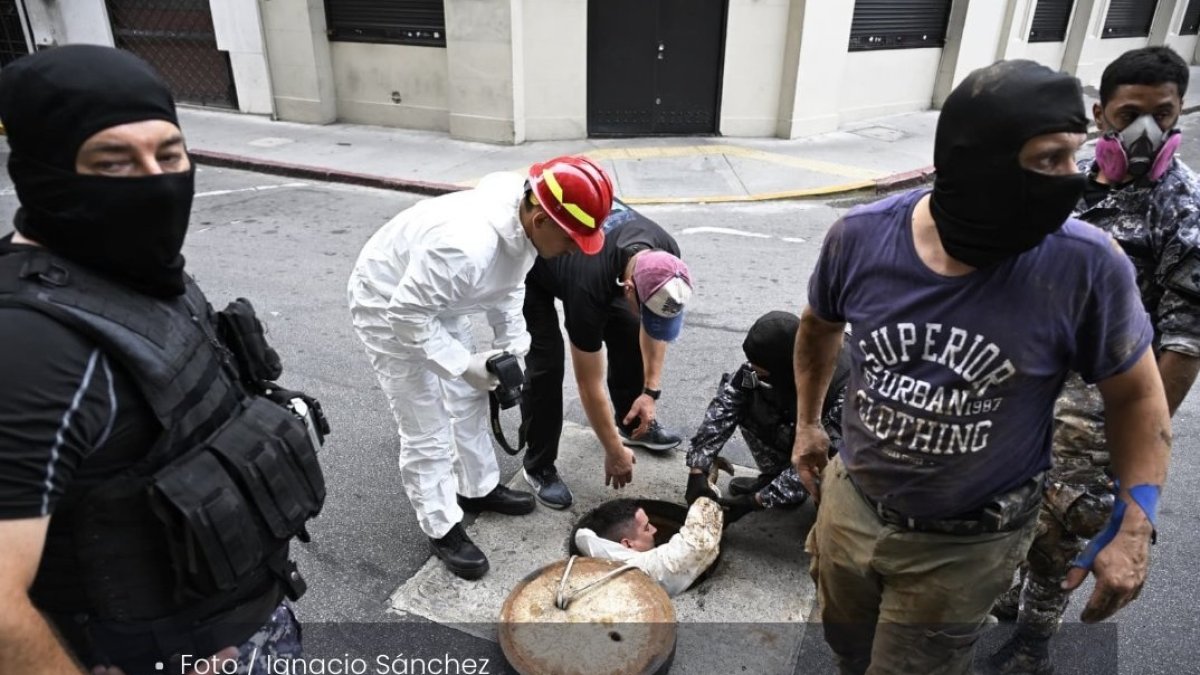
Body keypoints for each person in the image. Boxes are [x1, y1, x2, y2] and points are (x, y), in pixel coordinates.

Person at [792, 59, 1171, 675]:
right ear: (978, 161)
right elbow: (818, 326)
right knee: (845, 648)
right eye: (1048, 159)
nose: (1069, 180)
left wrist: (1136, 518)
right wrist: (808, 423)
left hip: (965, 544)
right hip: (851, 509)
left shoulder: (1087, 266)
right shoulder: (860, 238)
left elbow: (1135, 397)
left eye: (1075, 156)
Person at [0, 46, 326, 675]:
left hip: (242, 622)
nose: (154, 181)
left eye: (168, 154)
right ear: (42, 173)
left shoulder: (130, 270)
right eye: (113, 162)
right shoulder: (30, 348)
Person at [986, 46, 1200, 675]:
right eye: (1131, 112)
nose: (1146, 130)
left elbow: (1184, 348)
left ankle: (1032, 643)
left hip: (1100, 395)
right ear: (1101, 113)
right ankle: (1003, 593)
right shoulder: (1066, 178)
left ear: (1180, 109)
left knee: (1059, 524)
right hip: (1027, 375)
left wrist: (1128, 441)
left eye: (1164, 113)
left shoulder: (1183, 210)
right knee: (1005, 495)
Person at [347, 155, 610, 580]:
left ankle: (477, 488)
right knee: (426, 425)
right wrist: (462, 363)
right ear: (541, 219)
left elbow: (508, 286)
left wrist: (512, 347)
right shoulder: (465, 246)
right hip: (389, 303)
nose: (573, 252)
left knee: (469, 399)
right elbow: (407, 317)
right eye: (571, 240)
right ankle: (441, 525)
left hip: (442, 299)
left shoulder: (524, 217)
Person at [521, 199, 694, 509]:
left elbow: (654, 328)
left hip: (602, 268)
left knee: (629, 327)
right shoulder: (589, 285)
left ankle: (631, 424)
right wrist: (612, 451)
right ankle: (539, 465)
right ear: (629, 287)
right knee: (547, 365)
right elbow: (589, 384)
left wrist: (650, 392)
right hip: (535, 268)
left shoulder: (665, 253)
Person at [684, 310, 850, 523]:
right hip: (796, 421)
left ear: (786, 366)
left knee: (833, 515)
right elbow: (726, 406)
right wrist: (698, 468)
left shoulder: (845, 387)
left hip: (847, 455)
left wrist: (756, 501)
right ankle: (775, 477)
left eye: (760, 371)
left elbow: (825, 454)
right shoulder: (768, 364)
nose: (753, 372)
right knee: (742, 398)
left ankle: (807, 494)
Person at [573, 497, 722, 597]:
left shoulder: (588, 542)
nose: (654, 529)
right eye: (646, 528)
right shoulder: (640, 570)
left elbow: (582, 534)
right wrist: (708, 501)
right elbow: (697, 546)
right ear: (627, 544)